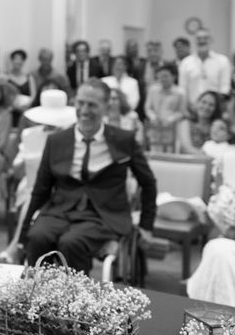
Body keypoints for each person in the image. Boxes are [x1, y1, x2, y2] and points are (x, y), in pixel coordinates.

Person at [19, 78, 157, 273]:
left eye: (92, 105)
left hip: (103, 214)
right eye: (80, 103)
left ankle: (77, 299)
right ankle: (39, 295)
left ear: (106, 107)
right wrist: (23, 233)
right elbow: (41, 189)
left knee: (71, 243)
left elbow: (148, 182)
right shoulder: (57, 141)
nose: (84, 110)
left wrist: (146, 226)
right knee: (37, 237)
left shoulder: (123, 140)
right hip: (61, 210)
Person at [0, 89, 77, 264]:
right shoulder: (30, 135)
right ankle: (22, 248)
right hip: (31, 185)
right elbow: (17, 170)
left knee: (36, 201)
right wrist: (27, 161)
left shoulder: (71, 138)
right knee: (32, 198)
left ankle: (18, 246)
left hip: (63, 188)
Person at [187, 101, 235, 308]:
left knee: (219, 251)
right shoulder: (229, 160)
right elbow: (216, 210)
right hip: (231, 240)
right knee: (218, 248)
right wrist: (228, 224)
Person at [178, 29, 231, 106]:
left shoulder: (223, 61)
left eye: (205, 38)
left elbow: (224, 87)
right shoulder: (186, 63)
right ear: (194, 41)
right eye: (199, 38)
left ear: (211, 40)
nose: (202, 41)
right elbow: (182, 89)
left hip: (215, 108)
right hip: (192, 108)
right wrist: (186, 108)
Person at [145, 64, 186, 153]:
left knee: (170, 153)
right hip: (155, 128)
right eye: (160, 76)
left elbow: (182, 112)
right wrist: (153, 117)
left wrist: (171, 119)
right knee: (155, 152)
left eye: (165, 76)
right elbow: (148, 107)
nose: (162, 79)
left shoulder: (180, 92)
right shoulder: (153, 90)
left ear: (173, 77)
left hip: (172, 128)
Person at [177, 90, 222, 155]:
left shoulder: (216, 126)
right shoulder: (186, 123)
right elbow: (186, 148)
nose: (206, 107)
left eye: (211, 105)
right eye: (203, 102)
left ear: (216, 109)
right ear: (197, 103)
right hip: (189, 162)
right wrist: (207, 157)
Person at [6, 48, 37, 127]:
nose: (18, 61)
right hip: (11, 112)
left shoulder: (29, 77)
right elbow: (5, 94)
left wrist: (27, 106)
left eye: (21, 59)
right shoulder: (6, 77)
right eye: (15, 58)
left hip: (26, 111)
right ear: (11, 60)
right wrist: (14, 106)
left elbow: (33, 95)